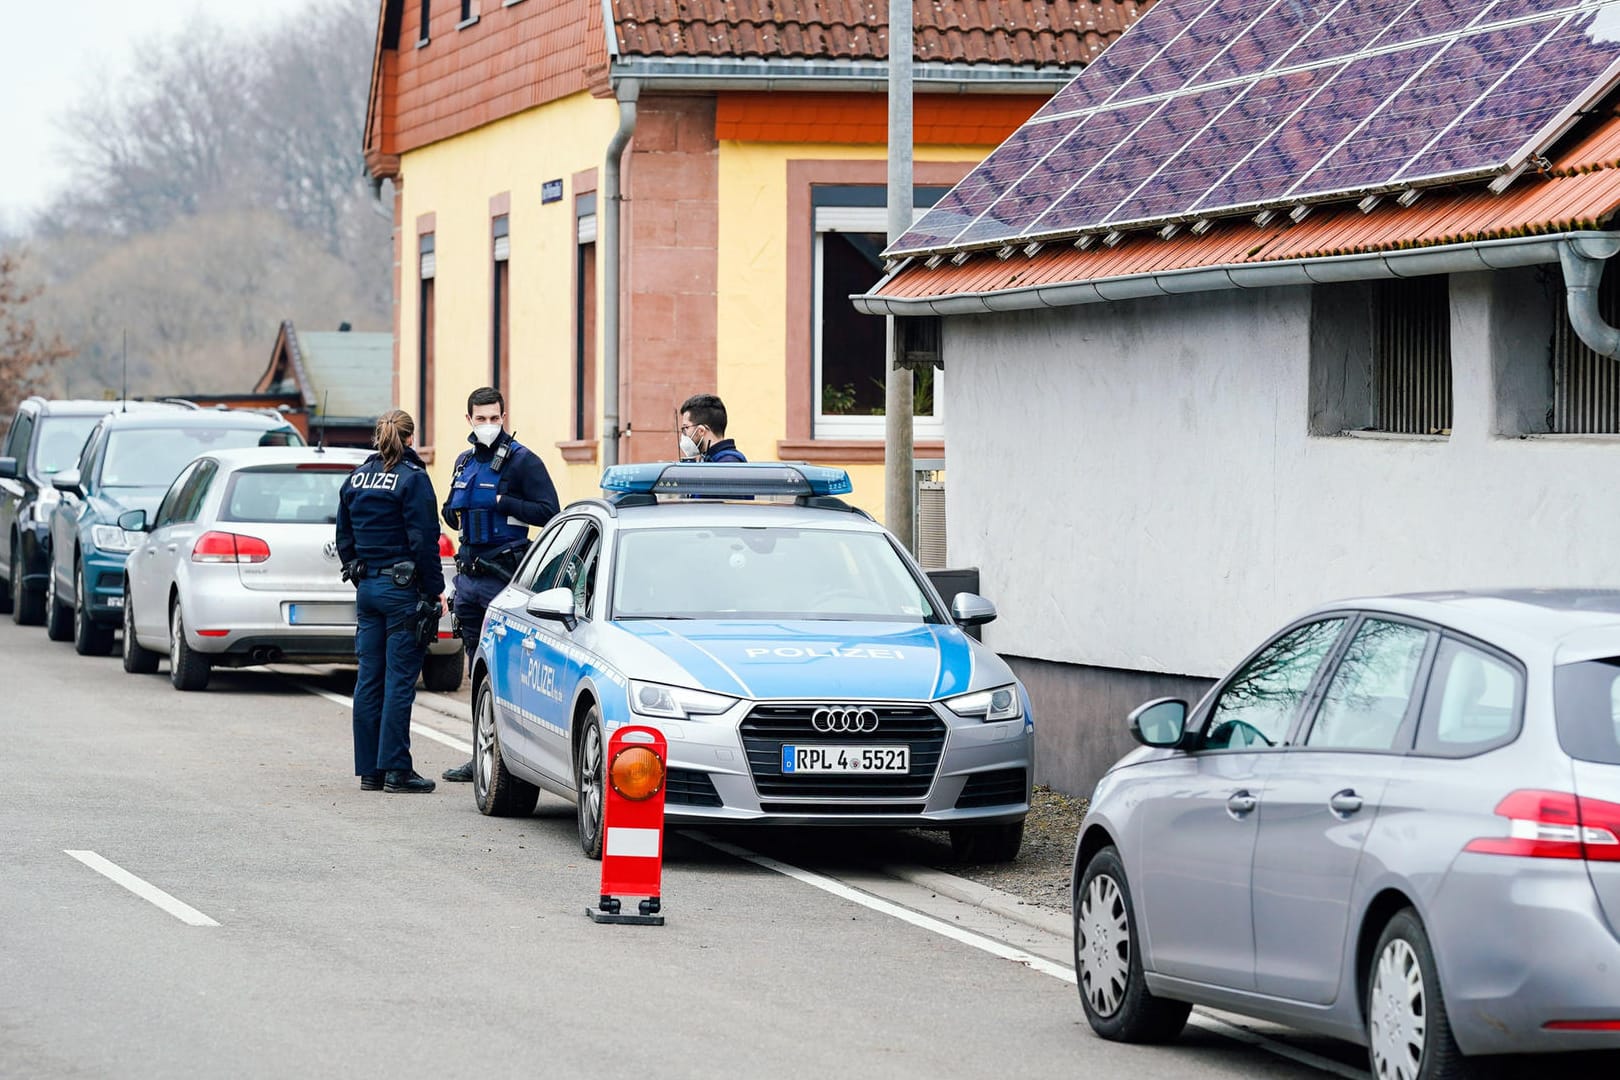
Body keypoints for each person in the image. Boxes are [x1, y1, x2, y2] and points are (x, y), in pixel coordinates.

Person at [439, 386, 560, 783]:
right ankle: (480, 755)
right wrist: (451, 511)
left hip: (503, 578)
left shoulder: (523, 461)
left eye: (494, 418)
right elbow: (454, 511)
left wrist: (505, 502)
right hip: (469, 578)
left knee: (504, 671)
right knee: (477, 672)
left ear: (503, 417)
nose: (488, 425)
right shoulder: (464, 462)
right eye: (481, 418)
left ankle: (513, 758)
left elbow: (549, 512)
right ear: (469, 419)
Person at [335, 409, 445, 794]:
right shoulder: (412, 480)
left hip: (368, 589)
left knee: (369, 679)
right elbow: (424, 540)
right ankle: (397, 770)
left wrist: (358, 568)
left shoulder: (356, 478)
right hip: (402, 591)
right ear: (411, 438)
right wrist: (435, 590)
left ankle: (371, 771)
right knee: (399, 682)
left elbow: (343, 535)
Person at [678, 393, 747, 462]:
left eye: (686, 427)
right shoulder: (711, 459)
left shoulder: (727, 462)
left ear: (701, 431)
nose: (684, 434)